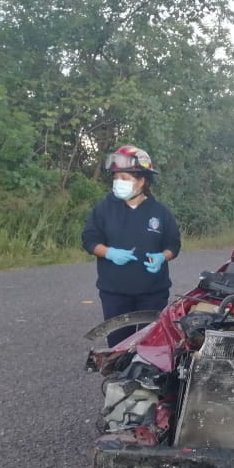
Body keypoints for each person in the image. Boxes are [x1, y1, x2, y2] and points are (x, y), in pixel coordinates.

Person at [81, 145, 181, 347]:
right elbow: (89, 240)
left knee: (151, 345)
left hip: (153, 293)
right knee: (119, 347)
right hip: (114, 293)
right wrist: (109, 253)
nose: (118, 183)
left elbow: (173, 244)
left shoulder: (160, 212)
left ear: (142, 181)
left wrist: (163, 256)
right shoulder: (104, 208)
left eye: (125, 179)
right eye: (116, 178)